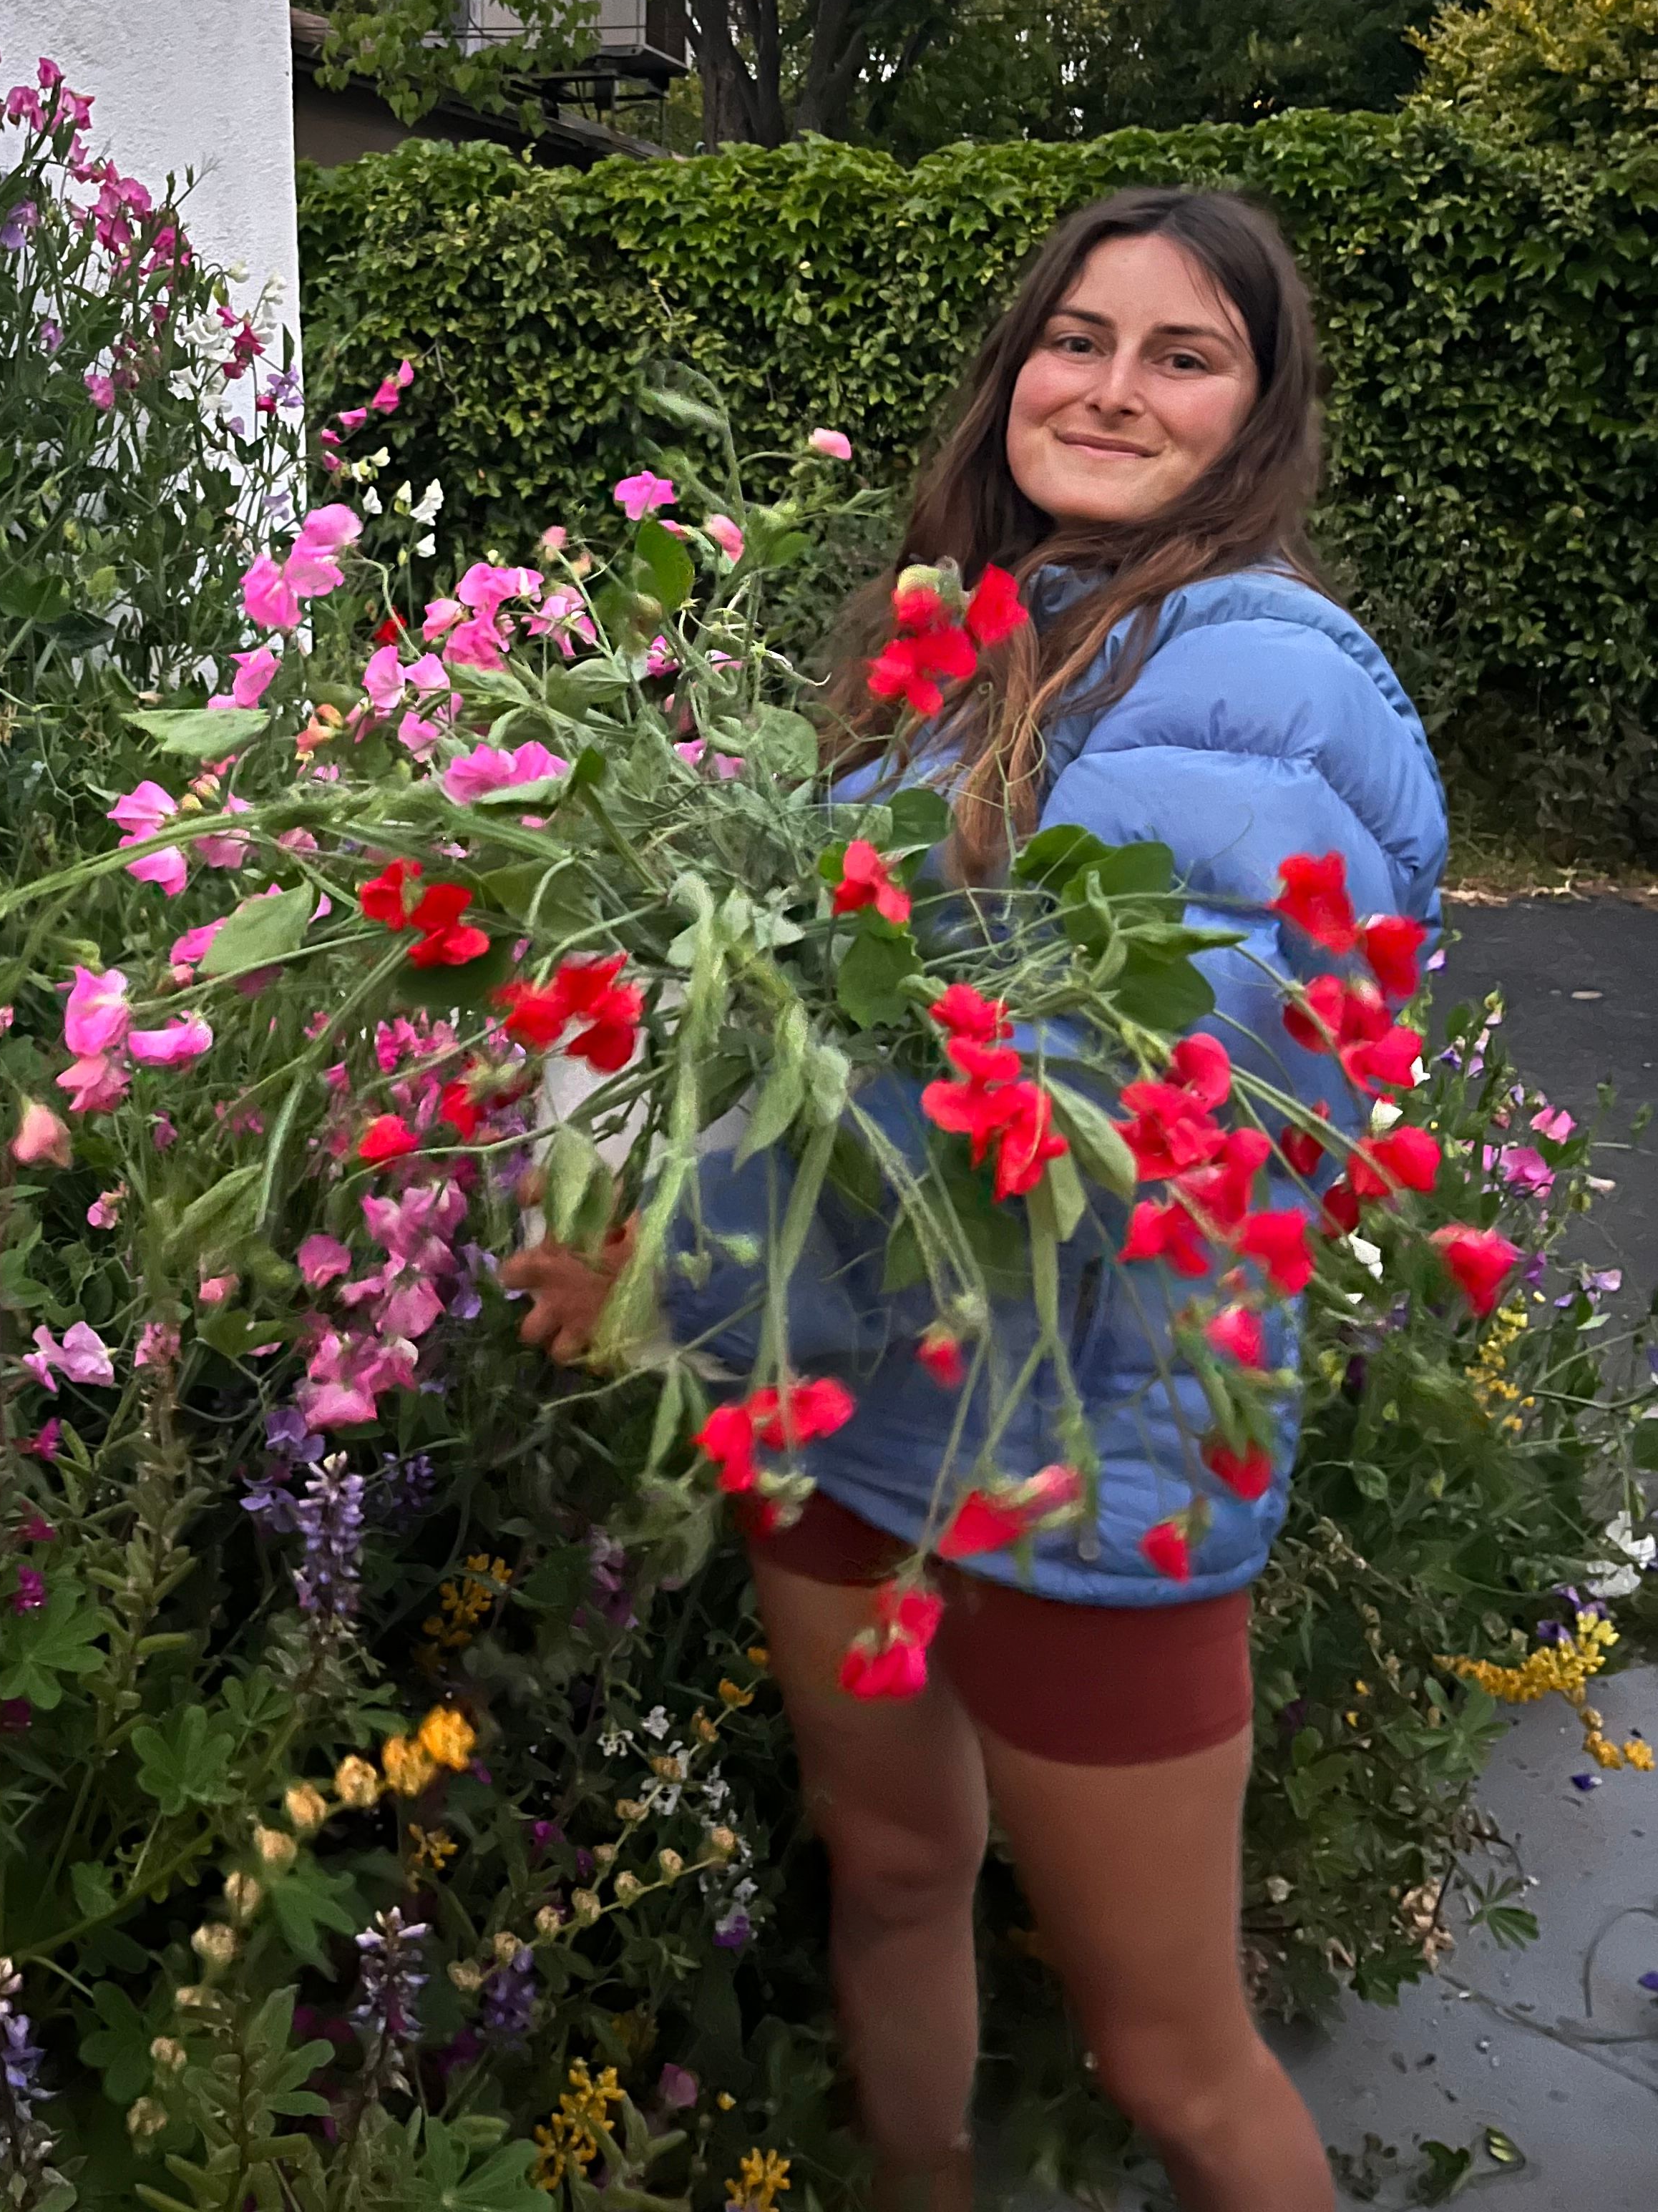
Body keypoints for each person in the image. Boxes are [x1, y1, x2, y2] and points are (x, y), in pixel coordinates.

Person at [502, 189, 1447, 2212]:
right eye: (1075, 338)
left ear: (1260, 415)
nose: (1110, 387)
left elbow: (1129, 1112)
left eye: (1183, 356)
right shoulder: (970, 645)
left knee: (1174, 2055)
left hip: (1084, 1451)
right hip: (846, 1401)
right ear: (1013, 365)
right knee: (897, 1869)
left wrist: (668, 1267)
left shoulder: (1270, 671)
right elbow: (827, 1015)